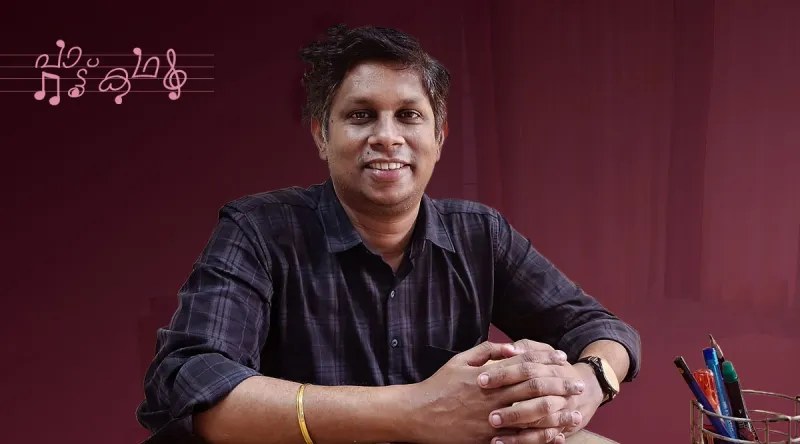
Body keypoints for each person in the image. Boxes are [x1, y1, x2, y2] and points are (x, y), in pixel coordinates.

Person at [136, 24, 641, 444]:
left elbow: (601, 329)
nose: (386, 136)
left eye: (408, 115)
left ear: (438, 138)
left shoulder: (480, 235)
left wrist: (581, 386)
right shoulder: (259, 230)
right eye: (361, 115)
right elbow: (189, 382)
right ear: (321, 135)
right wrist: (415, 409)